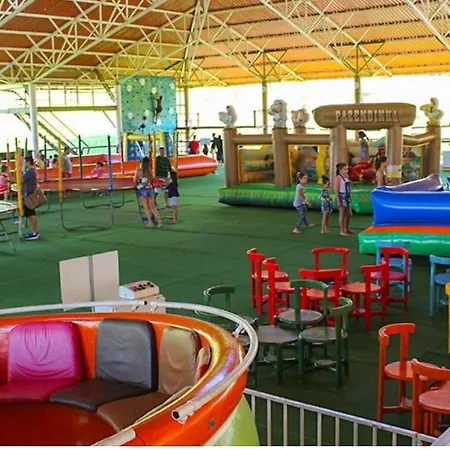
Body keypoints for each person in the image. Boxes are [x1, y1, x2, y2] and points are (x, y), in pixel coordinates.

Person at [134, 157, 162, 228]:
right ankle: (159, 221)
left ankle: (150, 222)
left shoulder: (139, 170)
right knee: (153, 207)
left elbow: (135, 180)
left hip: (142, 189)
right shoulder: (150, 171)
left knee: (146, 208)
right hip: (150, 189)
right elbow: (151, 179)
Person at [22, 156, 39, 240]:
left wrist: (8, 180)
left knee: (31, 214)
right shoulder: (32, 171)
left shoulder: (30, 171)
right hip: (30, 194)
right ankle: (34, 232)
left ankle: (34, 232)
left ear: (28, 162)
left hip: (29, 195)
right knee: (30, 214)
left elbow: (21, 181)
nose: (24, 163)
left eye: (25, 162)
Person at [335, 163, 352, 236]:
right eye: (345, 169)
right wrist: (338, 199)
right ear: (340, 170)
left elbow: (348, 188)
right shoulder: (338, 178)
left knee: (349, 213)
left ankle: (346, 229)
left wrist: (350, 196)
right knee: (342, 213)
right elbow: (337, 190)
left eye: (347, 169)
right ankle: (342, 231)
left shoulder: (347, 177)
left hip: (347, 196)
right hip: (342, 196)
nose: (346, 171)